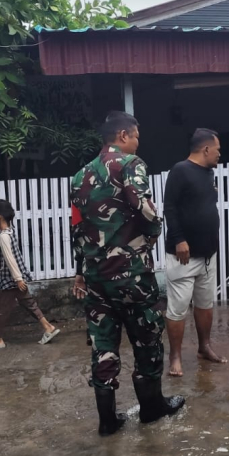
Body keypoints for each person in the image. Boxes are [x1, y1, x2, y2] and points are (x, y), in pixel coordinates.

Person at [70, 112, 185, 437]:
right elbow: (143, 207)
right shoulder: (131, 163)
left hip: (95, 277)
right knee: (147, 338)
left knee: (103, 345)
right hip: (131, 275)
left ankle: (108, 421)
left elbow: (77, 228)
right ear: (123, 135)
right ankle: (151, 409)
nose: (137, 142)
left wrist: (81, 270)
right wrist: (154, 231)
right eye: (135, 136)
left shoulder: (79, 176)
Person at [163, 128, 226, 378]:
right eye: (218, 149)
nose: (220, 154)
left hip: (208, 253)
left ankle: (204, 347)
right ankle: (175, 355)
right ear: (206, 149)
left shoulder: (209, 173)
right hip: (183, 255)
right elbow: (170, 206)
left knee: (205, 304)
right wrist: (179, 239)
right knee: (178, 308)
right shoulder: (180, 170)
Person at [0, 200, 60, 351]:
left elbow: (11, 259)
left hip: (10, 281)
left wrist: (17, 279)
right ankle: (48, 327)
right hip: (16, 278)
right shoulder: (10, 233)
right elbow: (8, 258)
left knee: (1, 309)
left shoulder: (2, 237)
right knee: (29, 303)